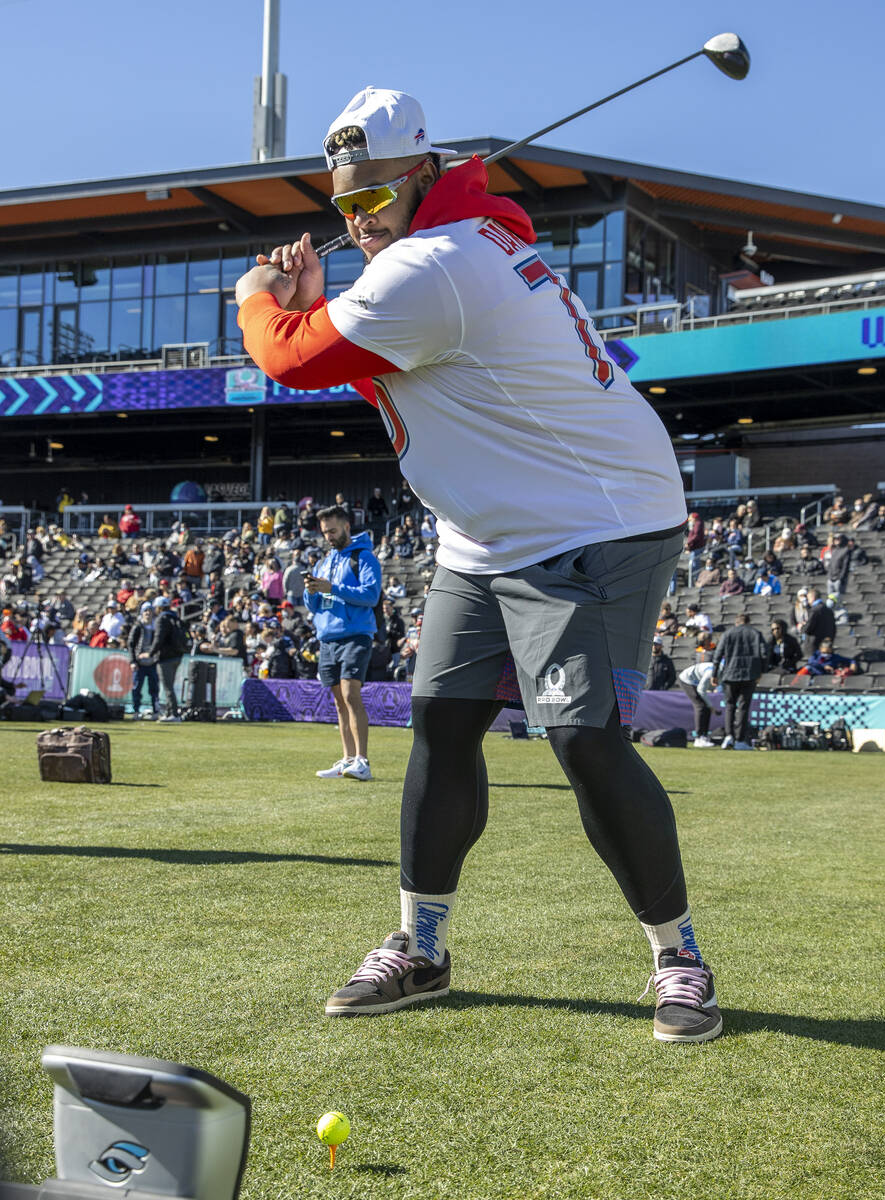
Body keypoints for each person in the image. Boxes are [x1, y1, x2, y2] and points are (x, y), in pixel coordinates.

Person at [235, 86, 720, 1043]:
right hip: (488, 531)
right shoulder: (444, 248)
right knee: (441, 725)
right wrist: (313, 304)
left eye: (375, 198)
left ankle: (680, 957)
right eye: (345, 206)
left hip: (597, 519)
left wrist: (260, 300)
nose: (359, 220)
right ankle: (421, 946)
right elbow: (356, 338)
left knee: (581, 739)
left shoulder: (437, 266)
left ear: (422, 175)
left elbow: (288, 361)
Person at [306, 504, 383, 782]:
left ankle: (362, 761)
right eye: (325, 532)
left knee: (351, 696)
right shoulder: (323, 562)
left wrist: (332, 588)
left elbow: (371, 595)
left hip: (355, 634)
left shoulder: (364, 557)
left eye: (333, 531)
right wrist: (311, 591)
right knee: (339, 702)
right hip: (327, 637)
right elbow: (314, 606)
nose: (328, 536)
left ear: (347, 527)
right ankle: (348, 760)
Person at [712, 613, 767, 750]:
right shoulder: (756, 633)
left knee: (730, 706)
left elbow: (717, 655)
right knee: (743, 707)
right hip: (749, 675)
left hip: (730, 674)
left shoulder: (728, 634)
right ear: (748, 622)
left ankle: (728, 736)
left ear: (736, 622)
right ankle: (740, 740)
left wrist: (714, 674)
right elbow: (764, 654)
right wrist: (761, 672)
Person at [152, 596, 185, 721]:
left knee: (167, 687)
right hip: (177, 656)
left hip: (165, 657)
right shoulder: (175, 617)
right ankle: (170, 711)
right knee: (169, 686)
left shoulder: (162, 619)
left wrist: (150, 653)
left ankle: (173, 714)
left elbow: (158, 639)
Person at [128, 602, 160, 719]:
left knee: (154, 688)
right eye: (146, 611)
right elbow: (131, 644)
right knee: (136, 688)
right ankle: (136, 711)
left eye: (150, 611)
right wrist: (133, 661)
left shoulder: (156, 627)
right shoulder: (138, 626)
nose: (148, 613)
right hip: (139, 663)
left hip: (152, 662)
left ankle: (156, 711)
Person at [678, 658, 716, 747]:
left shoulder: (719, 672)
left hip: (696, 681)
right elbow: (701, 690)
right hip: (686, 680)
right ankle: (698, 738)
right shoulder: (710, 673)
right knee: (701, 706)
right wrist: (711, 706)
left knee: (705, 707)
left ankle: (704, 736)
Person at [803, 588, 836, 653]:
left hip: (814, 645)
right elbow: (833, 629)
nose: (808, 601)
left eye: (808, 599)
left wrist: (802, 627)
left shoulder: (814, 610)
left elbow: (808, 628)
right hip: (826, 645)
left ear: (813, 598)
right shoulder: (829, 610)